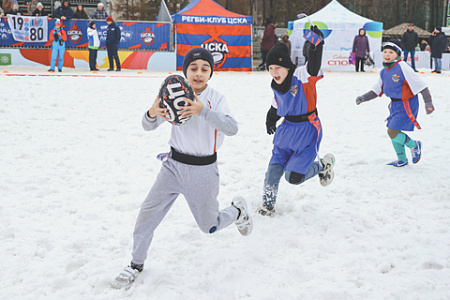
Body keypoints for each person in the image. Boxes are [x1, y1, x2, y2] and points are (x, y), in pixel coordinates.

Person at [111, 47, 253, 289]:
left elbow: (232, 128)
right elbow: (148, 125)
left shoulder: (216, 98)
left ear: (211, 73)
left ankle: (238, 212)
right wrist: (151, 112)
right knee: (147, 214)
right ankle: (136, 263)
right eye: (193, 68)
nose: (198, 73)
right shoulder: (172, 92)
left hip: (203, 170)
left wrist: (202, 111)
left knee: (209, 226)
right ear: (185, 71)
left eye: (204, 69)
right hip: (173, 167)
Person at [259, 26, 335, 216]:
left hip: (307, 131)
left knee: (293, 177)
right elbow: (276, 104)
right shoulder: (275, 85)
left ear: (287, 67)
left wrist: (317, 45)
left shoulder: (302, 75)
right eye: (270, 68)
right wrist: (271, 117)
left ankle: (322, 166)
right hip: (286, 132)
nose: (273, 72)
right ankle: (268, 207)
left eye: (277, 67)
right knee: (273, 171)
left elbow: (314, 65)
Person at [355, 40, 435, 167]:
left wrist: (428, 102)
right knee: (393, 131)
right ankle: (402, 159)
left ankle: (414, 145)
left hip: (407, 104)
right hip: (394, 105)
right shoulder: (384, 71)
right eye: (385, 51)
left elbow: (421, 86)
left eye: (391, 52)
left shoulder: (403, 67)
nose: (387, 54)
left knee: (392, 132)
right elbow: (377, 89)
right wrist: (363, 98)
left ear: (397, 54)